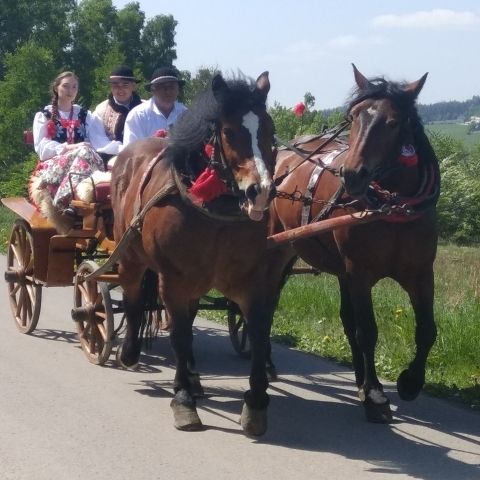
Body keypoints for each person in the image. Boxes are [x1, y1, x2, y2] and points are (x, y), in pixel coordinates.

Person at [29, 71, 105, 228]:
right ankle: (67, 200)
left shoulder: (85, 115)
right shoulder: (45, 115)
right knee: (85, 150)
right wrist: (71, 147)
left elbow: (97, 141)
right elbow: (42, 148)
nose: (70, 90)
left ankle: (70, 201)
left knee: (87, 151)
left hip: (83, 163)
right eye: (66, 86)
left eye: (74, 87)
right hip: (54, 164)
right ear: (56, 88)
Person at [123, 66, 187, 145]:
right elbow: (131, 151)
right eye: (162, 87)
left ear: (178, 89)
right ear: (153, 90)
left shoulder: (186, 114)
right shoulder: (138, 115)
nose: (168, 91)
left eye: (172, 86)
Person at [89, 65, 143, 159]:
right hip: (112, 158)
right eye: (115, 85)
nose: (120, 89)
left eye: (125, 85)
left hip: (142, 157)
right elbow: (98, 140)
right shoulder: (101, 110)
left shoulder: (145, 109)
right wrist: (122, 150)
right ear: (111, 87)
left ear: (133, 86)